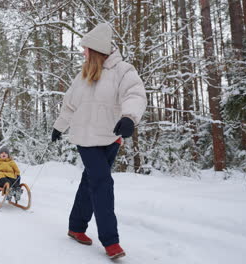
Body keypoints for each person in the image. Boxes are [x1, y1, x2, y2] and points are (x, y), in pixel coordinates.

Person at [51, 23, 147, 259]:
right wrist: (58, 127)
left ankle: (76, 227)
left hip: (110, 138)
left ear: (95, 49)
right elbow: (70, 105)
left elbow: (134, 94)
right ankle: (111, 241)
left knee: (90, 182)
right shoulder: (83, 75)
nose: (82, 52)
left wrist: (129, 117)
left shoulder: (124, 71)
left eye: (85, 48)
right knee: (102, 183)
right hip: (85, 139)